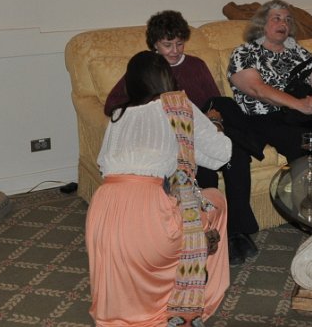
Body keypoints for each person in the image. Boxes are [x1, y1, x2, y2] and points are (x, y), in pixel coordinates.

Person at [87, 51, 231, 327]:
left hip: (103, 217)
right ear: (168, 78)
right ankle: (190, 299)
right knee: (215, 200)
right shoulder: (178, 107)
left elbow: (105, 164)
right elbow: (221, 155)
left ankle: (127, 310)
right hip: (148, 220)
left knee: (176, 206)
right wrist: (215, 123)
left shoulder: (118, 115)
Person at [105, 11, 262, 265]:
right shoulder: (146, 69)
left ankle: (236, 231)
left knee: (235, 146)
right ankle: (215, 232)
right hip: (179, 134)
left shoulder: (196, 65)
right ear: (155, 44)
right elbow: (113, 104)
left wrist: (209, 121)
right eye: (168, 45)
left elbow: (215, 102)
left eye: (179, 44)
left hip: (202, 125)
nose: (175, 51)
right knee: (213, 159)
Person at [227, 0, 312, 162]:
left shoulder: (299, 52)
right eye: (277, 18)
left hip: (300, 115)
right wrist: (300, 105)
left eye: (288, 20)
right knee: (303, 143)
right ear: (262, 24)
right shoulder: (245, 53)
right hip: (265, 118)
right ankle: (306, 178)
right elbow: (258, 89)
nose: (283, 23)